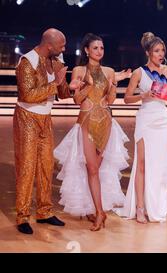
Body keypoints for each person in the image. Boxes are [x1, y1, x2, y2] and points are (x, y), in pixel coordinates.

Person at [54, 33, 131, 231]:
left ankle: (94, 209)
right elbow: (77, 99)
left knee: (96, 170)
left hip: (106, 123)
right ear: (87, 50)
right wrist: (87, 84)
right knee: (92, 169)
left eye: (102, 48)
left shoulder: (109, 71)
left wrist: (114, 84)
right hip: (86, 122)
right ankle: (99, 212)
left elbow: (111, 100)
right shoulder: (79, 70)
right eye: (95, 48)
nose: (99, 51)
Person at [115, 32, 167, 223]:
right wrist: (144, 96)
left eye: (162, 51)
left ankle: (155, 206)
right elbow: (126, 99)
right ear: (148, 52)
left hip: (161, 118)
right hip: (145, 118)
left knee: (158, 164)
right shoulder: (139, 72)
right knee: (141, 164)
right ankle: (140, 207)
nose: (160, 54)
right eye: (157, 51)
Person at [14, 28, 71, 235]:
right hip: (27, 117)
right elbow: (28, 95)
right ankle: (22, 215)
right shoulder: (27, 61)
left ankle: (44, 212)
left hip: (45, 118)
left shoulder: (55, 61)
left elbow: (63, 94)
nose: (64, 48)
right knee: (27, 166)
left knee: (46, 164)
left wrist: (67, 83)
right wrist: (55, 83)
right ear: (49, 45)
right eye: (61, 45)